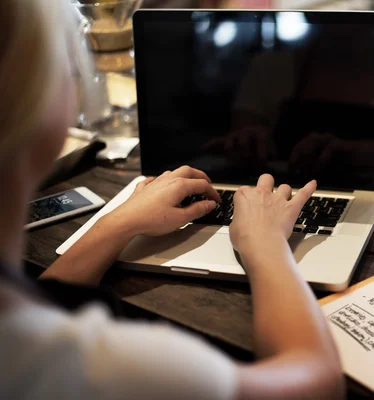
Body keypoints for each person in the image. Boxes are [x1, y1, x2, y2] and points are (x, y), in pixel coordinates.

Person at [0, 1, 343, 399]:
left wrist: (117, 223)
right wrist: (265, 244)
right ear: (41, 106)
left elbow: (45, 301)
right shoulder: (110, 368)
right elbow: (318, 381)